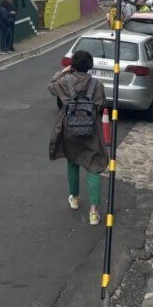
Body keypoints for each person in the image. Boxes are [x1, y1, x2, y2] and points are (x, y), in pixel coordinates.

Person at [48, 49, 109, 226]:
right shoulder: (97, 85)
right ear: (90, 66)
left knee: (72, 162)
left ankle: (74, 198)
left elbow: (51, 86)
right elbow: (101, 103)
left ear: (73, 65)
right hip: (91, 131)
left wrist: (62, 72)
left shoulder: (65, 82)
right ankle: (94, 212)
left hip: (69, 130)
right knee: (93, 167)